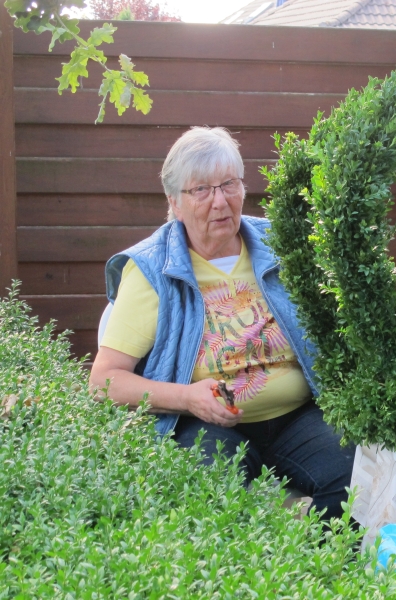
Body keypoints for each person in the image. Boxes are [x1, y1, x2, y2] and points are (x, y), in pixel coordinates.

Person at [89, 127, 355, 519]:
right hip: (205, 425)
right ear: (175, 202)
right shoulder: (152, 270)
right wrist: (186, 398)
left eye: (229, 184)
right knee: (211, 498)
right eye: (201, 190)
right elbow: (103, 381)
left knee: (358, 480)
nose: (220, 201)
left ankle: (311, 549)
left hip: (298, 417)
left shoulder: (282, 245)